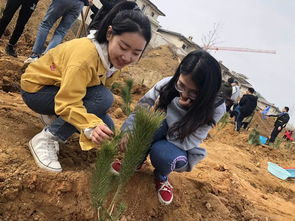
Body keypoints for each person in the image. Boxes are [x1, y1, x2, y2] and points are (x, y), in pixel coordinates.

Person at [20, 1, 151, 172]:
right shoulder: (86, 57)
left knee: (108, 128)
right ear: (110, 33)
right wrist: (90, 127)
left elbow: (93, 93)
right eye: (123, 47)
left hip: (58, 89)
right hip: (37, 91)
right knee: (103, 99)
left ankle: (55, 118)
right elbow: (69, 101)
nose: (127, 57)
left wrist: (102, 127)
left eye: (136, 53)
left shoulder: (112, 58)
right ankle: (47, 138)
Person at [115, 50, 226, 205]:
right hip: (160, 129)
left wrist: (177, 107)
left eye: (193, 93)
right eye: (181, 85)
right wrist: (130, 131)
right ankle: (135, 161)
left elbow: (187, 140)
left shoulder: (215, 108)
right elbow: (142, 107)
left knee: (162, 153)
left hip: (178, 145)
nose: (184, 95)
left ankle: (161, 177)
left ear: (207, 93)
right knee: (153, 124)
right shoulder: (167, 84)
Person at [24, 0, 91, 64]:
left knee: (45, 25)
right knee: (61, 32)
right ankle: (46, 59)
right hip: (79, 4)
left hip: (62, 2)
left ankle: (34, 56)